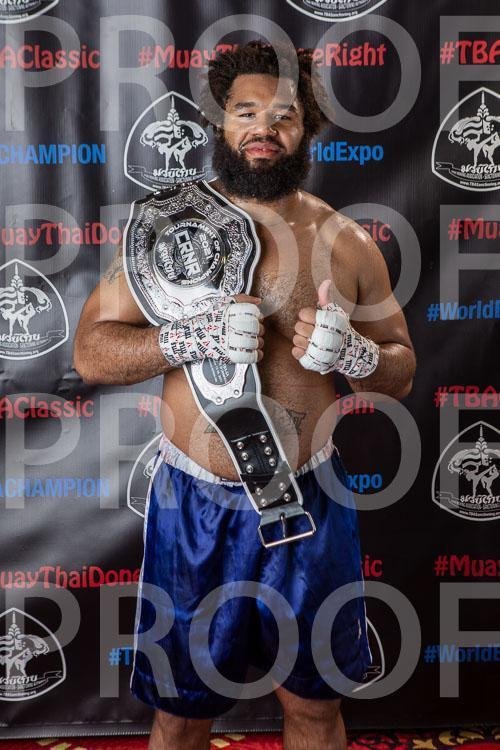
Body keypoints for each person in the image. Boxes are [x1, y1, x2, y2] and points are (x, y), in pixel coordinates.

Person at [74, 40, 416, 750]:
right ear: (221, 124)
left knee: (315, 709)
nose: (265, 128)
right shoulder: (168, 231)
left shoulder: (346, 242)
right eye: (246, 112)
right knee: (180, 715)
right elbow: (90, 353)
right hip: (191, 506)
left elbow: (402, 369)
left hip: (310, 503)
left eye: (284, 115)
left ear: (307, 127)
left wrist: (355, 354)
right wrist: (187, 336)